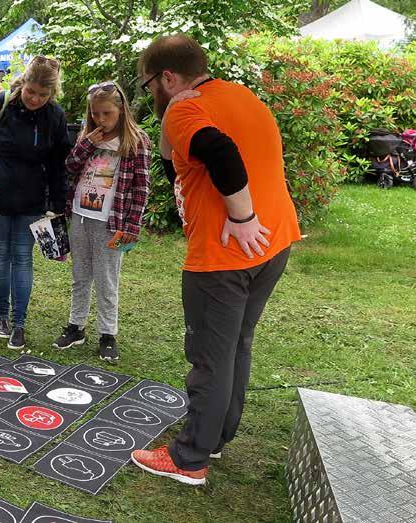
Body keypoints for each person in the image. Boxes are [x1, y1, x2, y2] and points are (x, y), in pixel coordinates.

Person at [129, 35, 301, 486]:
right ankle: (216, 436)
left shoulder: (187, 110)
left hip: (226, 254)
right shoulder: (242, 97)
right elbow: (177, 167)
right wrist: (171, 117)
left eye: (150, 85)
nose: (150, 94)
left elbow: (220, 152)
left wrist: (242, 216)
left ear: (167, 77)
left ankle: (189, 459)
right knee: (236, 346)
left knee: (210, 357)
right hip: (274, 244)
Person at [0, 56, 72, 350]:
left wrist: (58, 202)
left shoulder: (54, 115)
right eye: (32, 92)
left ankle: (20, 321)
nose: (35, 99)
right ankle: (1, 315)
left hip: (32, 198)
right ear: (23, 83)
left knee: (23, 256)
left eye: (43, 95)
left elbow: (58, 162)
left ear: (52, 94)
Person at [51, 81, 150, 363]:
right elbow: (69, 167)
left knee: (107, 279)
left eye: (107, 113)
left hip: (111, 220)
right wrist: (87, 144)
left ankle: (108, 333)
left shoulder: (136, 141)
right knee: (80, 275)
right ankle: (76, 326)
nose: (101, 119)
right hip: (81, 216)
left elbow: (141, 188)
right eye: (96, 113)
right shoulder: (89, 138)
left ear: (121, 110)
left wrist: (131, 225)